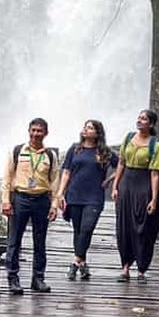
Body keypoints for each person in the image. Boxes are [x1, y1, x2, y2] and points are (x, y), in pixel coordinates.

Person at [1, 117, 59, 294]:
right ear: (28, 131)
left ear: (45, 133)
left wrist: (54, 204)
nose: (35, 134)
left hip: (42, 199)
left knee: (40, 241)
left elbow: (55, 181)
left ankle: (38, 279)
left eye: (39, 131)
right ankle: (13, 279)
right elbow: (7, 177)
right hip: (21, 198)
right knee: (14, 240)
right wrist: (6, 200)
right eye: (33, 130)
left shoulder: (50, 155)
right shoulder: (17, 151)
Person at [56, 119, 117, 280]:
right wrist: (60, 194)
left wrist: (109, 180)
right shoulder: (75, 149)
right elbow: (67, 172)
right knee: (78, 231)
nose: (86, 129)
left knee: (87, 228)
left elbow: (122, 166)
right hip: (74, 195)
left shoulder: (104, 152)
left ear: (97, 133)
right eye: (85, 127)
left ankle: (75, 262)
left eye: (90, 128)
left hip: (94, 197)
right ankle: (82, 264)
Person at [111, 109, 159, 284]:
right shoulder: (128, 138)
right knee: (124, 226)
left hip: (143, 186)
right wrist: (115, 186)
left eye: (144, 119)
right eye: (139, 118)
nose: (139, 121)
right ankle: (125, 267)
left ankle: (141, 269)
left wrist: (154, 199)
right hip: (126, 183)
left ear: (151, 124)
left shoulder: (155, 146)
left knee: (142, 226)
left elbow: (155, 174)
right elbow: (121, 163)